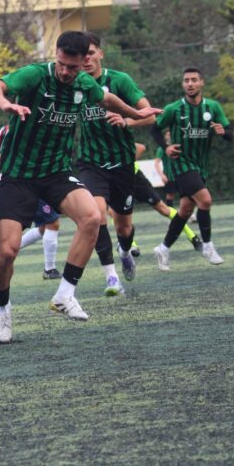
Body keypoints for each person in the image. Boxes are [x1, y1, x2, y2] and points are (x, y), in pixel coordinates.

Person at [0, 31, 162, 341]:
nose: (66, 72)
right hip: (19, 174)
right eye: (62, 64)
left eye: (73, 67)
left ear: (82, 63)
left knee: (92, 217)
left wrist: (135, 113)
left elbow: (106, 98)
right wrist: (6, 105)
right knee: (7, 253)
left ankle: (65, 294)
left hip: (56, 173)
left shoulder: (83, 83)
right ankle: (2, 310)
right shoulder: (36, 75)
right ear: (57, 55)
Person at [76, 32, 156, 295]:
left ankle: (124, 252)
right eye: (81, 55)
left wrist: (126, 121)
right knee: (97, 215)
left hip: (122, 163)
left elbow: (149, 115)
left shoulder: (120, 80)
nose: (86, 59)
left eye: (90, 53)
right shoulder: (74, 84)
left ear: (100, 53)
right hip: (90, 162)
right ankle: (111, 277)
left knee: (124, 226)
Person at [151, 67, 233, 270]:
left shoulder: (212, 107)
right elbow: (155, 128)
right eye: (186, 80)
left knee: (186, 210)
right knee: (205, 200)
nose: (190, 83)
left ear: (201, 82)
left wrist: (223, 133)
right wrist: (166, 147)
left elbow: (230, 134)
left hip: (200, 165)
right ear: (183, 85)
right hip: (180, 163)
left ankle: (163, 248)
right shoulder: (174, 109)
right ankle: (208, 246)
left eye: (194, 80)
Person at [0, 125, 61, 280]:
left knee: (44, 227)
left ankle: (8, 250)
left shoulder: (41, 127)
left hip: (42, 179)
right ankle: (49, 269)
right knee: (52, 222)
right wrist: (11, 160)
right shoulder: (7, 129)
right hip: (22, 182)